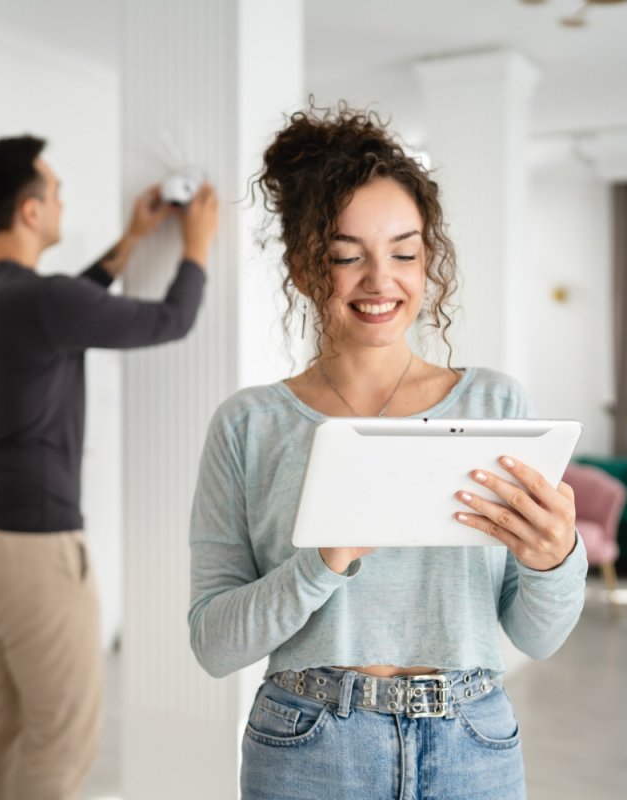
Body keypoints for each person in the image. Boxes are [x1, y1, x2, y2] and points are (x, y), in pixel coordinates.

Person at [187, 105, 586, 799]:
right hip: (308, 748)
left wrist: (556, 558)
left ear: (428, 260)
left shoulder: (494, 406)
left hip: (474, 745)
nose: (381, 280)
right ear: (305, 269)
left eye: (404, 252)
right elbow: (214, 643)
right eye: (347, 256)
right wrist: (324, 563)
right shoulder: (249, 425)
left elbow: (538, 636)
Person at [0, 134, 218, 800]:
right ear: (32, 212)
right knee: (61, 742)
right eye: (56, 193)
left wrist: (130, 239)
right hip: (30, 548)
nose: (63, 202)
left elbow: (68, 304)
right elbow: (170, 320)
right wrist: (197, 246)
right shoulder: (43, 302)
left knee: (3, 719)